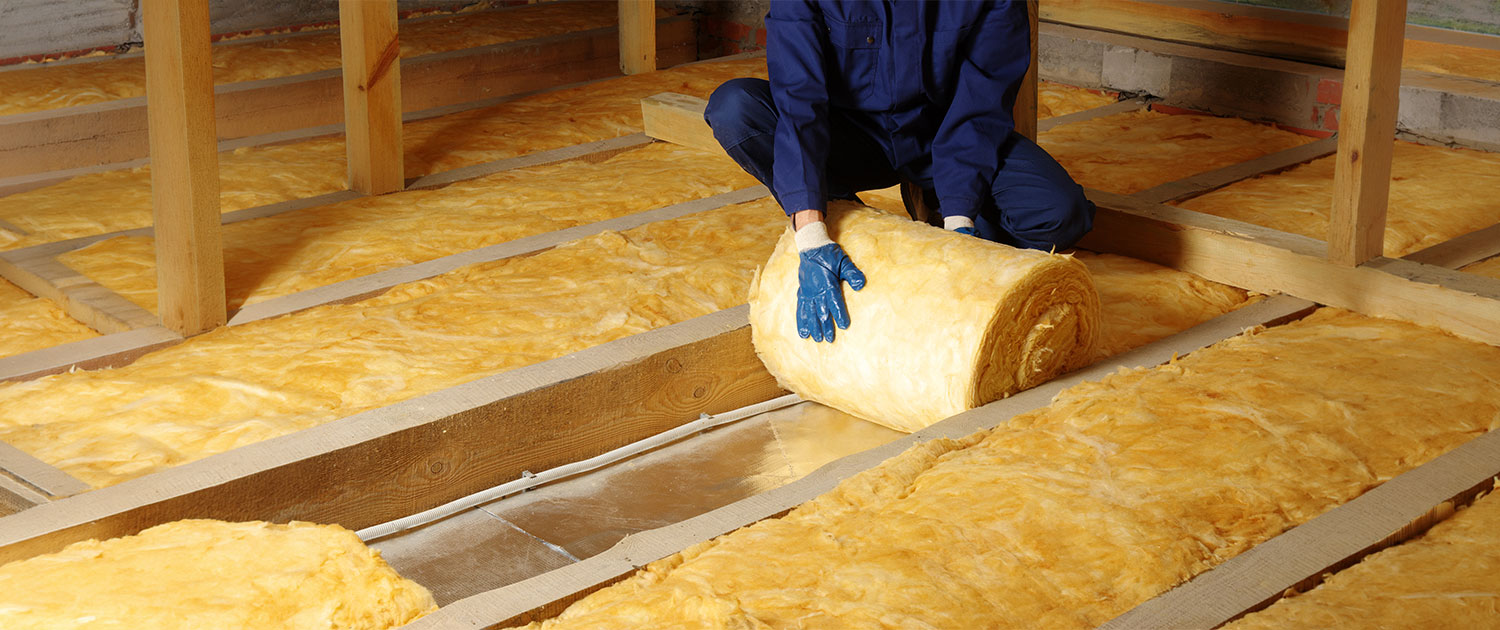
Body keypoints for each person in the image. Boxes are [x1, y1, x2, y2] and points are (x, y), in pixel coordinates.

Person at [704, 0, 1094, 343]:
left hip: (940, 137)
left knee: (1059, 213)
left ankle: (936, 201)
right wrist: (810, 234)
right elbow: (799, 100)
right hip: (846, 137)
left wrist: (960, 224)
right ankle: (849, 218)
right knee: (735, 108)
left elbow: (979, 107)